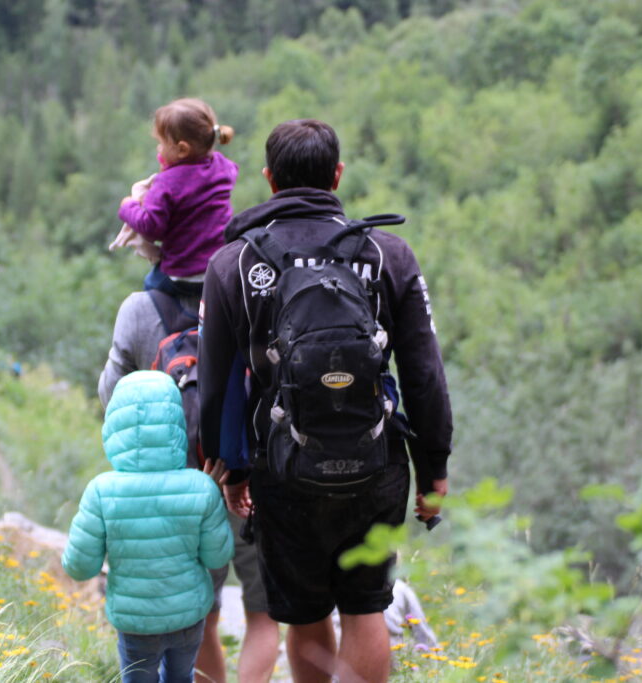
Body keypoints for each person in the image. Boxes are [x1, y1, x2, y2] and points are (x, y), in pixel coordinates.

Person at [199, 119, 453, 682]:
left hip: (283, 465)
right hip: (377, 461)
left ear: (269, 180)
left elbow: (216, 386)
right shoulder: (387, 253)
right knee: (366, 606)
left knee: (304, 611)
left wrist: (231, 468)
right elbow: (424, 373)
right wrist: (434, 467)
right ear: (337, 175)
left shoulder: (234, 264)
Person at [98, 292, 282, 683]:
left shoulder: (141, 309)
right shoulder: (254, 282)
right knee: (263, 617)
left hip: (179, 492)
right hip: (255, 482)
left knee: (201, 621)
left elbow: (110, 396)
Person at [62, 370, 235, 683]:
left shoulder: (101, 491)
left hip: (134, 621)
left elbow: (78, 567)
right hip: (188, 615)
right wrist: (208, 498)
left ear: (115, 424)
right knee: (182, 677)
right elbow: (217, 558)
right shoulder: (200, 487)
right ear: (176, 423)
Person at [112, 97, 239, 296]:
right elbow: (232, 171)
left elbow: (151, 228)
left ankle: (174, 319)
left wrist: (128, 207)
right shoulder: (223, 167)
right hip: (220, 269)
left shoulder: (167, 183)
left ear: (182, 149)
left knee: (151, 286)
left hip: (184, 275)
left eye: (161, 143)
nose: (158, 149)